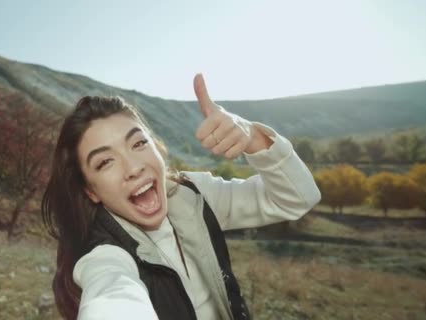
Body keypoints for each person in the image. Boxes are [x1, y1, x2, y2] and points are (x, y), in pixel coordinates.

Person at [41, 74, 321, 320]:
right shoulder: (103, 254)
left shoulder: (192, 194)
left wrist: (254, 139)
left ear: (158, 149)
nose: (134, 168)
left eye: (138, 143)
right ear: (91, 191)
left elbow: (297, 197)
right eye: (105, 162)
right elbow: (112, 295)